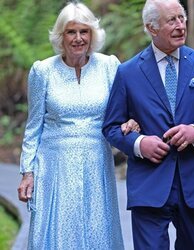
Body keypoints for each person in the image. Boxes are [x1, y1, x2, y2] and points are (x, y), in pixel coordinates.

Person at [102, 0, 194, 249]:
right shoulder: (128, 72)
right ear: (151, 28)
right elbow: (111, 127)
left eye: (182, 18)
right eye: (171, 20)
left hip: (193, 184)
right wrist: (140, 144)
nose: (180, 26)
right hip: (149, 185)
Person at [17, 2, 140, 249]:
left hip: (96, 160)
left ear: (92, 35)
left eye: (84, 32)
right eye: (71, 32)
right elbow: (34, 126)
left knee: (97, 227)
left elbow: (123, 110)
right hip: (54, 164)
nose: (78, 38)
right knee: (59, 230)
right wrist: (27, 172)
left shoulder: (109, 66)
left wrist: (130, 121)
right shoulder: (43, 71)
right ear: (61, 36)